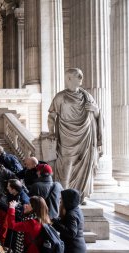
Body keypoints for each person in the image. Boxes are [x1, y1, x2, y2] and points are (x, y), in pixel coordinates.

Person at [48, 68, 102, 202]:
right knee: (67, 165)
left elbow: (96, 115)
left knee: (84, 165)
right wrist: (51, 132)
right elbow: (52, 116)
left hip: (85, 135)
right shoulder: (60, 97)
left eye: (81, 76)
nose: (81, 79)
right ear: (69, 79)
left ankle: (80, 195)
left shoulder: (87, 96)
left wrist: (95, 111)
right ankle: (64, 196)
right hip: (66, 136)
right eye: (78, 76)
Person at [52, 189, 86, 253]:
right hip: (76, 247)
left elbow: (71, 232)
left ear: (67, 200)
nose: (60, 201)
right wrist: (55, 221)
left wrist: (54, 224)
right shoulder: (75, 210)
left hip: (74, 248)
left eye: (61, 199)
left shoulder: (71, 214)